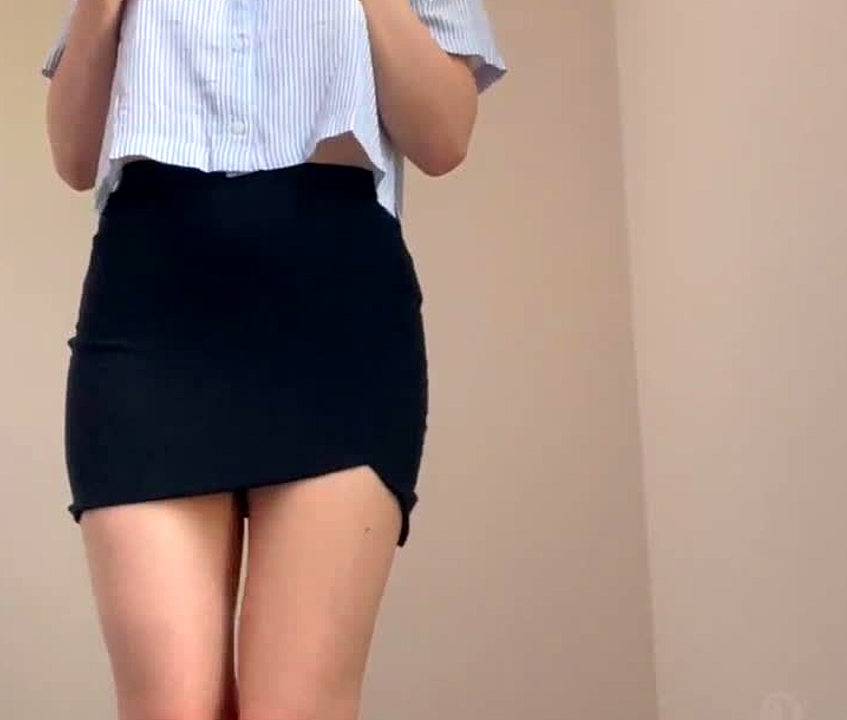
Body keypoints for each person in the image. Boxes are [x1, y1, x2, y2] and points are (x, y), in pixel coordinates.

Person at [40, 2, 505, 719]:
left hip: (335, 324)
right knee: (169, 706)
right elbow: (74, 157)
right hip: (150, 317)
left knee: (295, 707)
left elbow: (443, 137)